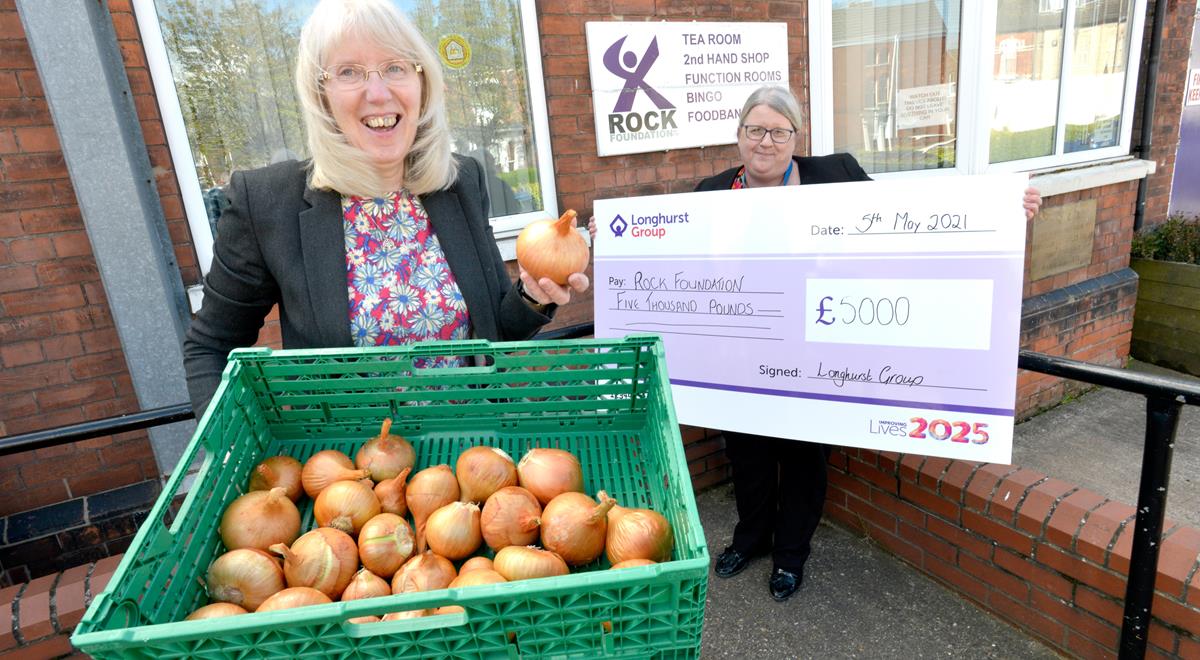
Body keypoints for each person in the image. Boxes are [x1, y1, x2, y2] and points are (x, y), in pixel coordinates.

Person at [591, 85, 1041, 601]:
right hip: (742, 351)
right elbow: (672, 256)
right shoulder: (710, 191)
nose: (765, 141)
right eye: (754, 129)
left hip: (818, 350)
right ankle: (750, 538)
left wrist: (1004, 208)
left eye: (778, 131)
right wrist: (614, 238)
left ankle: (790, 556)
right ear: (738, 135)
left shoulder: (837, 174)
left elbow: (910, 221)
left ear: (795, 136)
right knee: (747, 454)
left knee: (804, 457)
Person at [183, 0, 588, 417]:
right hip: (351, 469)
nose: (378, 93)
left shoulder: (459, 180)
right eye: (349, 72)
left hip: (471, 454)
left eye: (395, 67)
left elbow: (491, 335)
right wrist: (228, 439)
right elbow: (210, 346)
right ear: (321, 96)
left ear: (421, 83)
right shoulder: (267, 200)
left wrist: (532, 298)